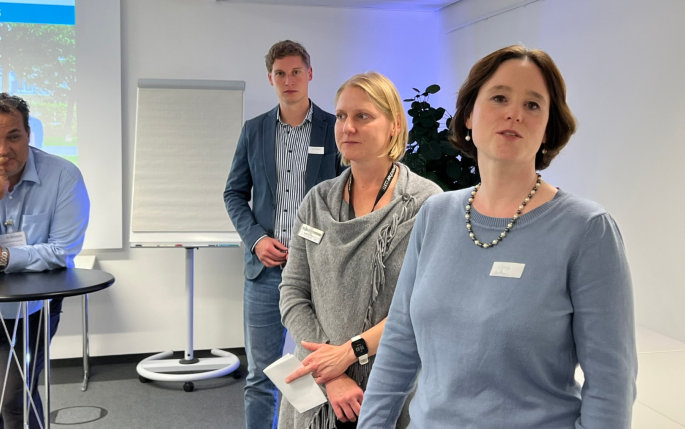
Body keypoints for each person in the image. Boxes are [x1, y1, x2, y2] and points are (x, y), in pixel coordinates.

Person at [357, 45, 637, 429]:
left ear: (548, 128)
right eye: (500, 98)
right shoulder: (435, 215)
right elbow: (399, 344)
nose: (514, 113)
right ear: (469, 115)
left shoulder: (587, 230)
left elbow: (611, 384)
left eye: (533, 105)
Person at [278, 72, 442, 429]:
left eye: (362, 116)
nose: (347, 127)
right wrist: (332, 371)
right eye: (341, 116)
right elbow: (292, 291)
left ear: (394, 125)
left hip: (389, 384)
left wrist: (351, 352)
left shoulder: (425, 205)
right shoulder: (317, 201)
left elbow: (423, 307)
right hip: (318, 384)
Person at [224, 40, 343, 429]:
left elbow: (349, 196)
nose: (288, 80)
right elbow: (234, 194)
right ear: (270, 78)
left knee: (324, 369)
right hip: (265, 272)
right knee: (262, 374)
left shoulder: (335, 128)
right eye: (280, 73)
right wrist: (256, 239)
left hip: (319, 272)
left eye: (296, 72)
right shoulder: (254, 130)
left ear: (309, 74)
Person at [0, 93, 90, 428]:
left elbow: (63, 251)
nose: (3, 150)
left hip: (34, 308)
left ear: (29, 134)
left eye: (13, 137)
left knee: (13, 397)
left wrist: (2, 257)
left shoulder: (63, 176)